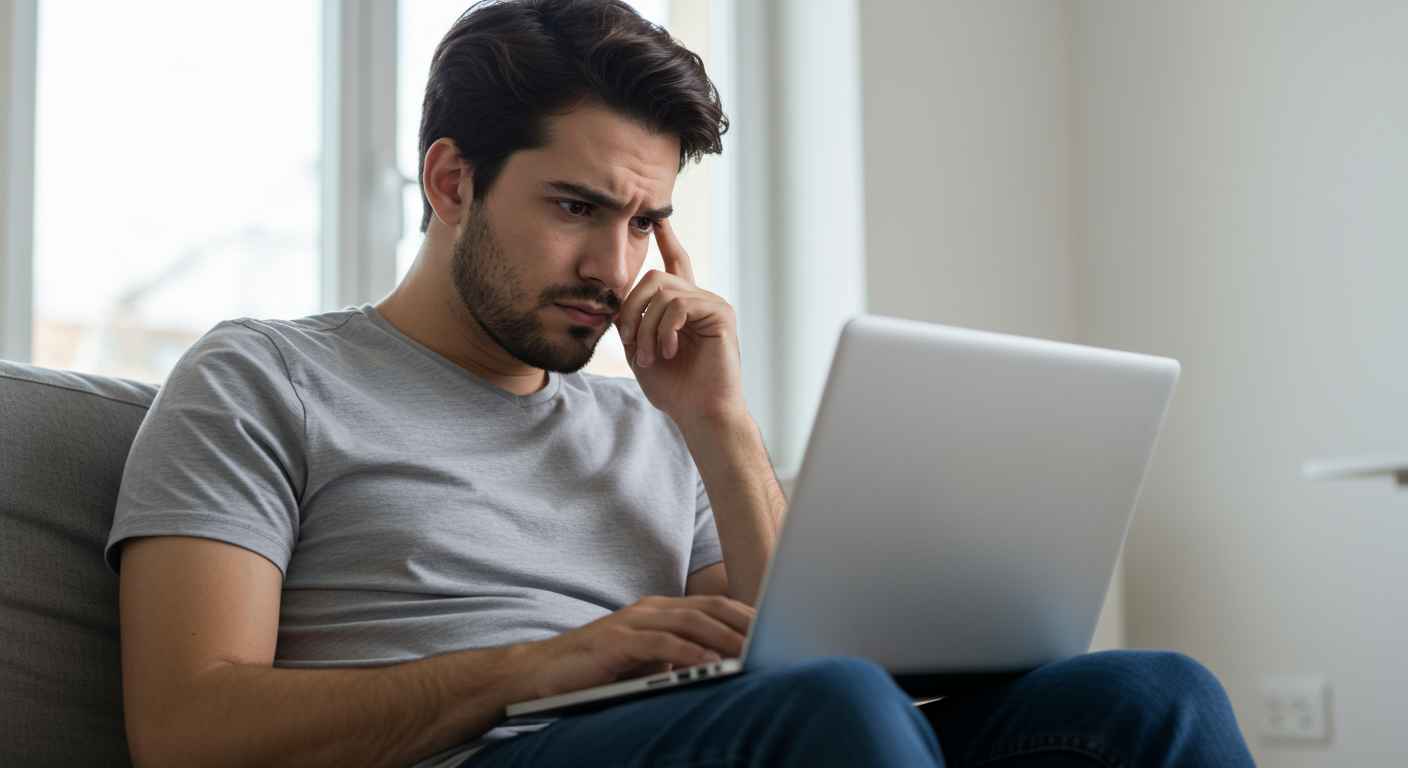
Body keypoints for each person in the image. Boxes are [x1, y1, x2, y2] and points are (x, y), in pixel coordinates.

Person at [108, 1, 1257, 767]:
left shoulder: (651, 417)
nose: (615, 268)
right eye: (575, 209)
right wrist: (542, 667)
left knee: (1155, 697)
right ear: (451, 180)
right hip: (474, 754)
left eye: (646, 220)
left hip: (690, 735)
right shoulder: (262, 376)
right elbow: (185, 724)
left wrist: (717, 424)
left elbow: (805, 652)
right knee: (835, 714)